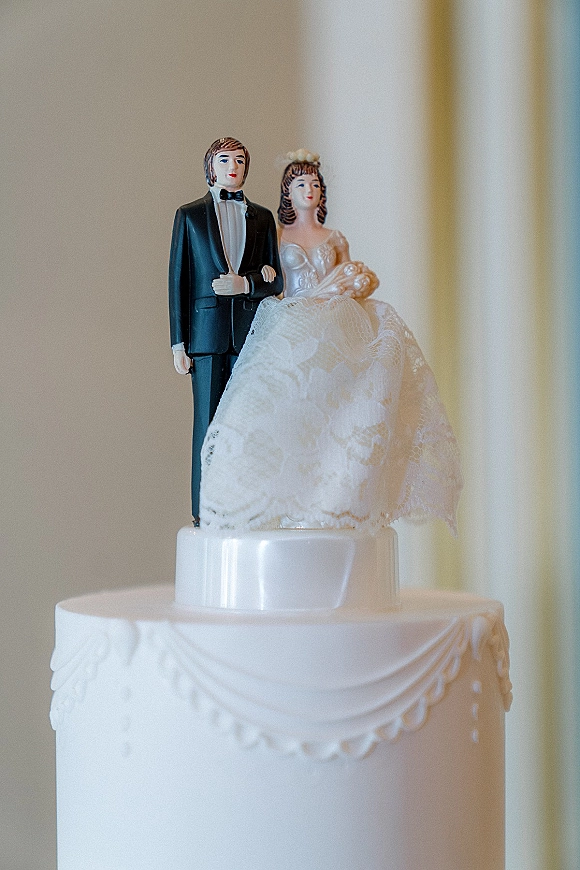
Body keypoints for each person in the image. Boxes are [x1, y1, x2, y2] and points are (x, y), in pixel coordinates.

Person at [199, 150, 462, 533]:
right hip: (292, 319)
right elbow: (272, 280)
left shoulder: (334, 238)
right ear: (287, 194)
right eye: (301, 185)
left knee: (335, 401)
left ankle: (334, 488)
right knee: (287, 404)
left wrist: (351, 284)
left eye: (315, 185)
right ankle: (282, 493)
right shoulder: (277, 234)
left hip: (336, 320)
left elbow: (354, 277)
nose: (310, 190)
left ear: (322, 196)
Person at [168, 137, 282, 522]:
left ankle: (241, 507)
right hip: (205, 336)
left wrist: (247, 283)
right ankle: (204, 510)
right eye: (224, 160)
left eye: (239, 160)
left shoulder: (263, 218)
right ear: (210, 167)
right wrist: (178, 343)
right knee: (207, 423)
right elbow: (178, 282)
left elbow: (275, 280)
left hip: (251, 337)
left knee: (246, 423)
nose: (233, 167)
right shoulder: (189, 216)